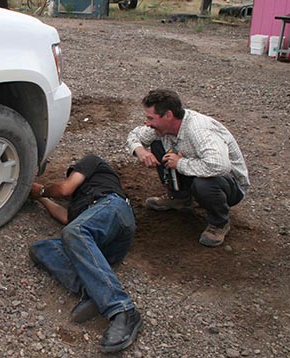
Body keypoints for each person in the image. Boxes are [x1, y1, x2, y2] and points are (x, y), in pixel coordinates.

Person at [28, 154, 142, 353]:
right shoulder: (80, 207)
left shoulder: (91, 162)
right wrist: (41, 198)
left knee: (75, 232)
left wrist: (43, 189)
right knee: (42, 248)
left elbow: (65, 189)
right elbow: (65, 218)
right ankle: (94, 290)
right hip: (96, 245)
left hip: (114, 210)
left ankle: (123, 309)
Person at [127, 89, 250, 247]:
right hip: (198, 170)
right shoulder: (164, 127)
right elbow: (134, 135)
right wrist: (141, 150)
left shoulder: (199, 130)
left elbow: (219, 166)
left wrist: (180, 163)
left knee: (204, 184)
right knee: (157, 143)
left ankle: (219, 223)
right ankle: (179, 198)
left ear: (168, 115)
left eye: (151, 118)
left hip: (228, 184)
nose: (147, 123)